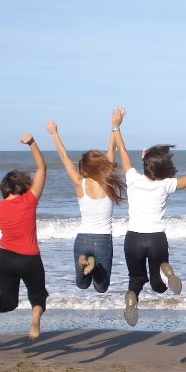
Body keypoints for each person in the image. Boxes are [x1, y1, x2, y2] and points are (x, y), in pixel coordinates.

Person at [113, 111, 186, 326]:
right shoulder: (166, 185)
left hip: (133, 238)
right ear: (165, 170)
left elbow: (121, 151)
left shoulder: (132, 179)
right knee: (159, 285)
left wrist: (116, 126)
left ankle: (132, 295)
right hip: (156, 238)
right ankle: (167, 269)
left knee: (137, 278)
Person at [0, 133, 47, 340]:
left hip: (6, 259)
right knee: (38, 295)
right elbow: (42, 168)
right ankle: (35, 318)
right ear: (22, 185)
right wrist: (32, 143)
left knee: (8, 300)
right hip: (30, 258)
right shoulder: (29, 200)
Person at [47, 110, 126, 294]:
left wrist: (54, 133)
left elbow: (64, 157)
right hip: (102, 240)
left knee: (81, 284)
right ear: (102, 166)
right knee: (101, 287)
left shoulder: (79, 183)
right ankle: (92, 264)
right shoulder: (107, 182)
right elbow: (112, 150)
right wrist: (115, 126)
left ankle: (84, 261)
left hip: (81, 239)